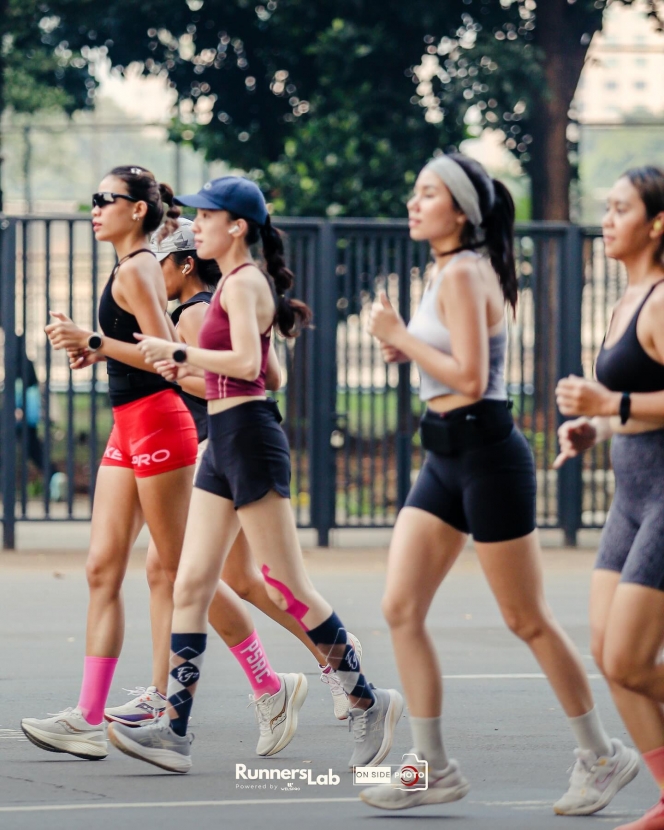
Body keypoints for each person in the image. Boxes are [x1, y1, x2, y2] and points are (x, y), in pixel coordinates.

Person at [358, 153, 638, 813]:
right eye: (415, 191)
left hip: (487, 455)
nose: (413, 203)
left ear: (460, 211)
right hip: (443, 457)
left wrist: (401, 335)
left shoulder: (463, 271)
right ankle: (432, 767)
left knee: (526, 617)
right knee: (400, 608)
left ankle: (602, 755)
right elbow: (448, 362)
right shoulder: (443, 271)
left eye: (427, 194)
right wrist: (408, 347)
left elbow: (472, 379)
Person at [106, 176, 402, 774]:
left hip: (249, 441)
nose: (196, 226)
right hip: (221, 441)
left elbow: (245, 365)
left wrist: (181, 354)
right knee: (189, 582)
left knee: (287, 585)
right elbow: (273, 373)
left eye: (207, 217)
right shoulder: (229, 294)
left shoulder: (243, 285)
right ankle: (175, 730)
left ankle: (368, 699)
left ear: (236, 226)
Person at [20, 166, 199, 760]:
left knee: (181, 573)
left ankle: (258, 687)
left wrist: (91, 341)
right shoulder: (129, 266)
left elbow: (169, 356)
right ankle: (88, 719)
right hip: (130, 425)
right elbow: (141, 350)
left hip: (159, 423)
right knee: (103, 567)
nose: (95, 208)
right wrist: (96, 353)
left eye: (106, 199)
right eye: (93, 200)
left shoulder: (142, 265)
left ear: (138, 211)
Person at [555, 165, 664, 830]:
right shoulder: (625, 300)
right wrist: (596, 425)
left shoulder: (661, 300)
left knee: (628, 657)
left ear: (656, 223)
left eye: (621, 208)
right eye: (607, 206)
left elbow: (635, 397)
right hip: (631, 494)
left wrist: (611, 401)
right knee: (607, 653)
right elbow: (638, 408)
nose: (607, 218)